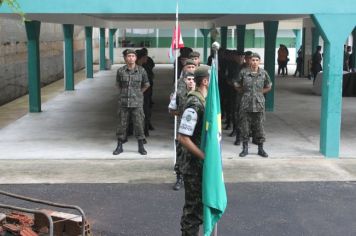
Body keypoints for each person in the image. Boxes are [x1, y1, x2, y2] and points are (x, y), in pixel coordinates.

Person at [178, 67, 210, 235]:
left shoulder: (204, 101)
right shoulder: (194, 103)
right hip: (193, 166)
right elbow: (183, 137)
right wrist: (204, 156)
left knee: (199, 209)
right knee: (193, 212)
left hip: (199, 165)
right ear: (205, 81)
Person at [113, 49, 150, 156]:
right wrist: (123, 94)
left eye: (133, 56)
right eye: (128, 56)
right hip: (123, 102)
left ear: (136, 58)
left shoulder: (141, 70)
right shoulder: (120, 71)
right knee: (122, 124)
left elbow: (147, 84)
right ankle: (119, 146)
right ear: (125, 58)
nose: (131, 58)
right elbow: (118, 85)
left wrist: (138, 93)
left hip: (137, 102)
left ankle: (141, 146)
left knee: (139, 124)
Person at [236, 53, 272, 158]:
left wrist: (260, 92)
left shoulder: (263, 73)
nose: (254, 62)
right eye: (252, 60)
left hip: (259, 104)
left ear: (259, 61)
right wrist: (243, 92)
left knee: (259, 127)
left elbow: (269, 85)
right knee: (245, 127)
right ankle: (245, 148)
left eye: (256, 60)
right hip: (246, 104)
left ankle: (261, 149)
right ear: (249, 61)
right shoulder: (244, 72)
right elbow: (236, 84)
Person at [169, 71, 196, 191]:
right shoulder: (179, 93)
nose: (191, 81)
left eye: (193, 79)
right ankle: (179, 178)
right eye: (188, 79)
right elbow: (171, 109)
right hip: (182, 128)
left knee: (196, 152)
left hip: (197, 128)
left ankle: (195, 178)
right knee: (181, 152)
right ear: (184, 80)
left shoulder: (201, 93)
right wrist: (181, 115)